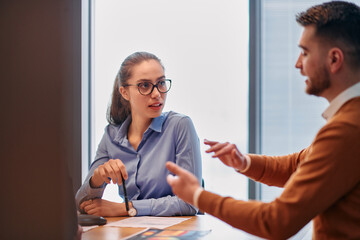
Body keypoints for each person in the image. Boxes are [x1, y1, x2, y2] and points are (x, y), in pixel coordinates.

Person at [166, 1, 360, 239]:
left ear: (334, 59)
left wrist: (197, 195)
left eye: (305, 52)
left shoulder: (347, 129)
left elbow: (275, 221)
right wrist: (243, 162)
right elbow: (296, 166)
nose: (298, 64)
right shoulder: (350, 119)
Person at [76, 51, 202, 217]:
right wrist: (97, 179)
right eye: (145, 85)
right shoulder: (111, 136)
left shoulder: (180, 126)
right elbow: (82, 204)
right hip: (133, 231)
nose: (157, 93)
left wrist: (127, 208)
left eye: (161, 83)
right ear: (124, 92)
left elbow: (190, 202)